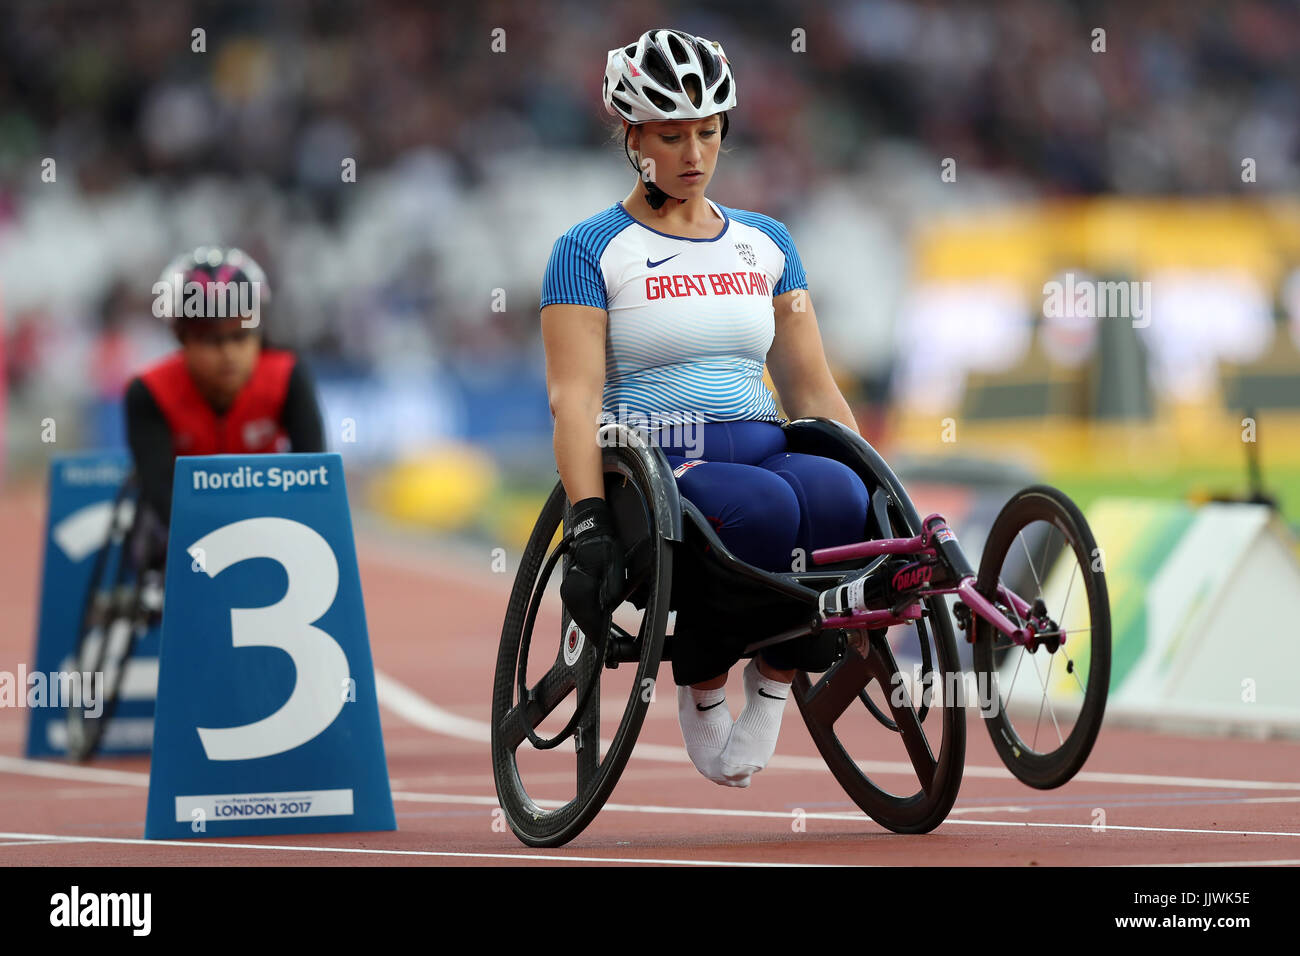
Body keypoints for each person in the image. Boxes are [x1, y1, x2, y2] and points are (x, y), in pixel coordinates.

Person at [540, 30, 870, 789]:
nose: (693, 152)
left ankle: (777, 680)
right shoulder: (589, 250)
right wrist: (585, 517)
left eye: (708, 132)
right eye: (671, 135)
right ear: (631, 139)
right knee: (762, 513)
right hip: (658, 456)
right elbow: (574, 397)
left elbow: (813, 389)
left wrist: (880, 485)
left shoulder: (767, 242)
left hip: (760, 437)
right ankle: (704, 680)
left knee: (839, 498)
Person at [124, 246, 326, 567]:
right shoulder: (149, 392)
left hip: (270, 526)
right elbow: (161, 494)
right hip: (183, 538)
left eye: (242, 336)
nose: (229, 354)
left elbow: (315, 479)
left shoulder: (288, 376)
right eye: (212, 340)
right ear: (181, 336)